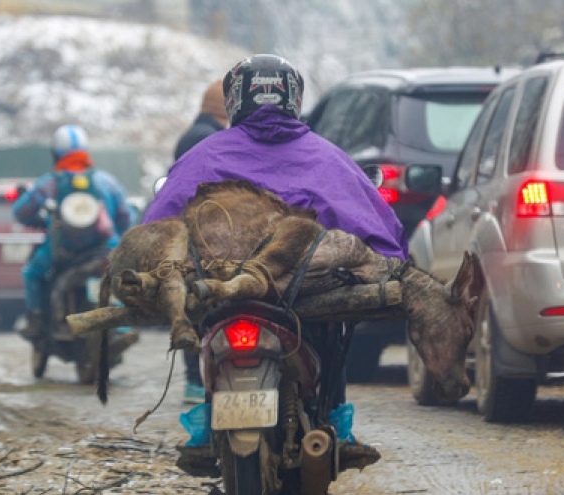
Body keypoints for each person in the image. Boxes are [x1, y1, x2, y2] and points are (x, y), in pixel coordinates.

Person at [144, 54, 407, 442]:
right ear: (294, 98)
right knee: (333, 340)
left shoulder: (203, 155)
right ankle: (334, 423)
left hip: (224, 292)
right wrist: (390, 264)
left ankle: (207, 426)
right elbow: (377, 228)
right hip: (303, 292)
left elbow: (156, 227)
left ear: (236, 98)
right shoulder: (328, 157)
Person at [14, 124, 138, 339]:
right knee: (118, 276)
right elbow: (125, 217)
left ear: (55, 154)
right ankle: (122, 328)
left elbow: (21, 212)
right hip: (105, 249)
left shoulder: (50, 183)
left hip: (63, 250)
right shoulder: (106, 182)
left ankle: (37, 320)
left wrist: (37, 220)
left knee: (31, 273)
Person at [172, 80, 229, 405]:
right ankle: (198, 380)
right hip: (207, 235)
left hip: (191, 230)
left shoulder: (192, 135)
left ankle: (196, 381)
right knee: (204, 302)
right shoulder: (211, 140)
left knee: (193, 301)